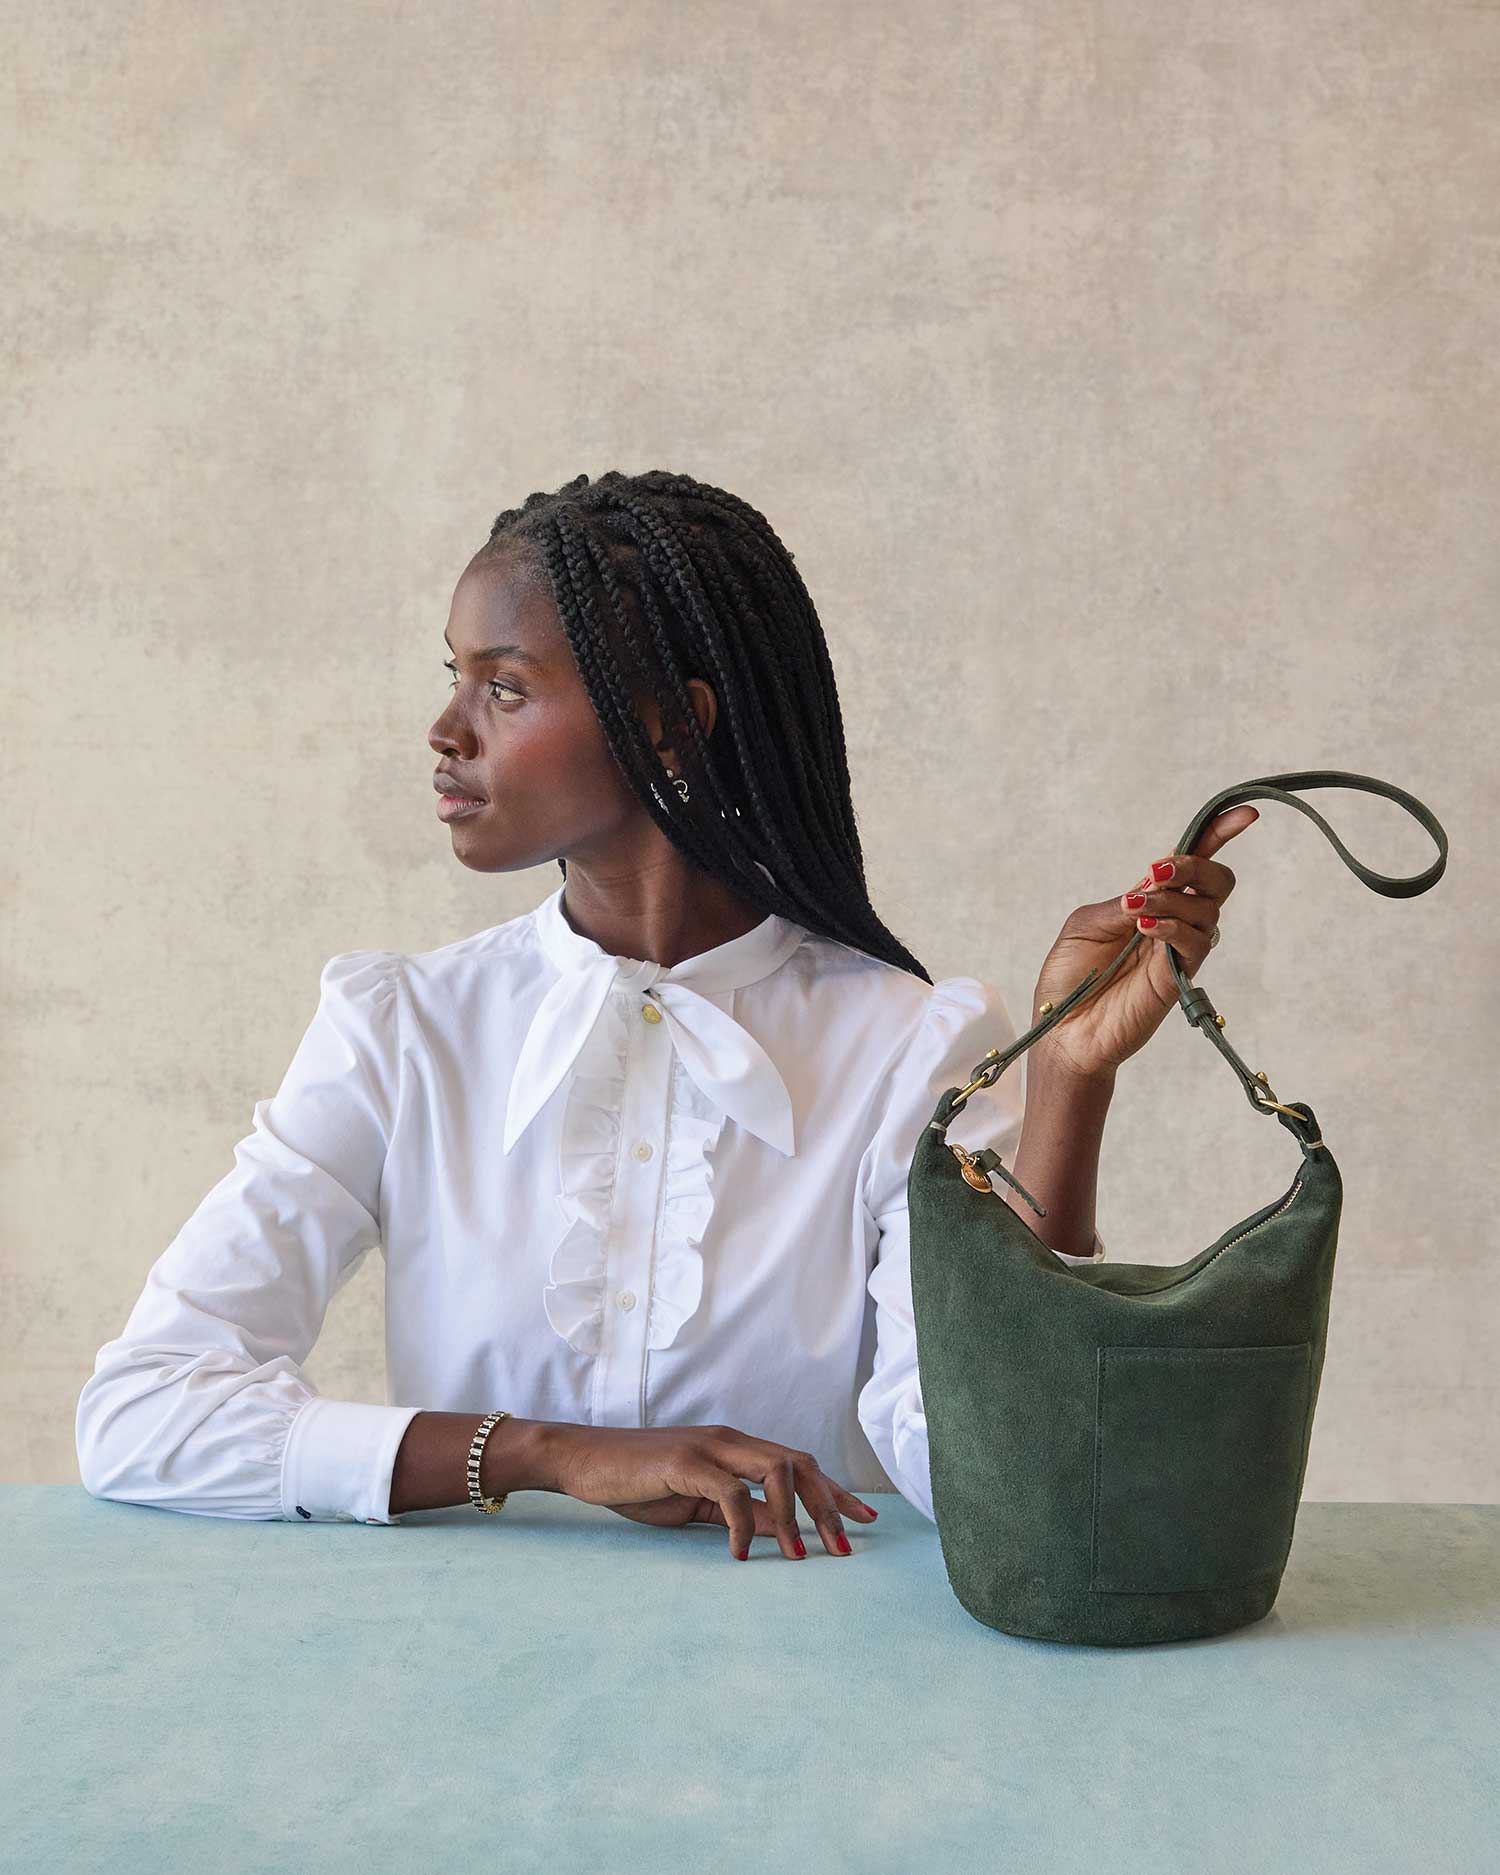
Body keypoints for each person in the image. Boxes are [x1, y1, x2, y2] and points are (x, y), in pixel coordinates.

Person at [76, 470, 1253, 1563]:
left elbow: (1007, 1475)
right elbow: (142, 1410)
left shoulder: (906, 1048)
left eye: (503, 686)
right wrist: (544, 1452)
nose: (446, 732)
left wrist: (1070, 1079)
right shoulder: (400, 1032)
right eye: (451, 678)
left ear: (666, 725)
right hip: (461, 1698)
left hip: (806, 1708)